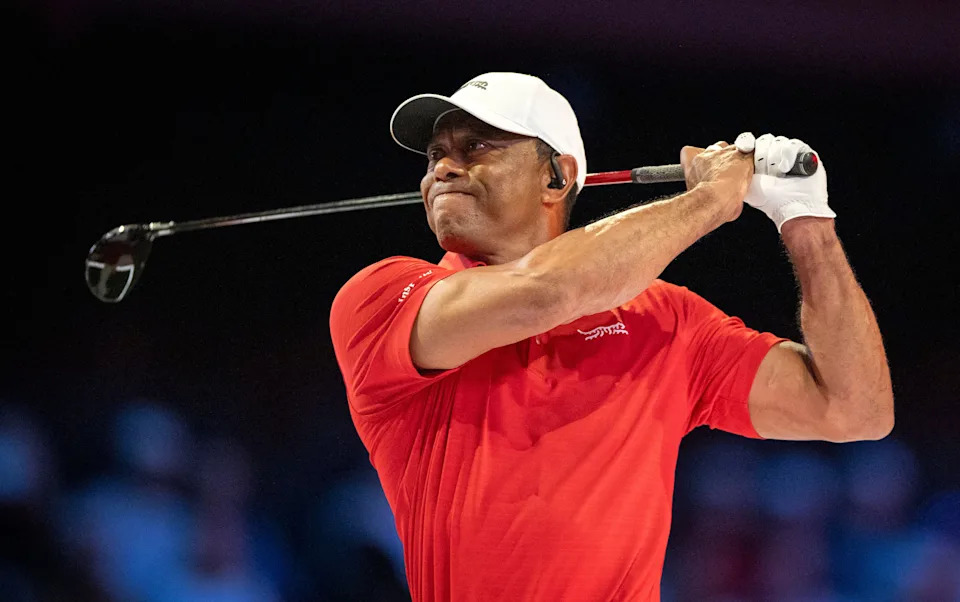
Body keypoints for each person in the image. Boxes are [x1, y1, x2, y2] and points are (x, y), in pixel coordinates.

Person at [328, 72, 894, 601]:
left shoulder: (665, 321)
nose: (443, 170)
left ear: (557, 176)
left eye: (475, 147)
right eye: (435, 155)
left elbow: (855, 409)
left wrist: (806, 221)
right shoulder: (382, 295)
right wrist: (709, 201)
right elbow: (548, 291)